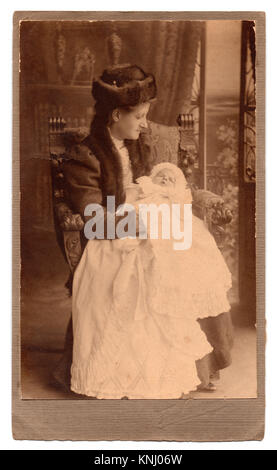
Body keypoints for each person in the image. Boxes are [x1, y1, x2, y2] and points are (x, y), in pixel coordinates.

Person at [52, 64, 234, 394]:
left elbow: (170, 186)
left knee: (189, 259)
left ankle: (199, 364)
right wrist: (142, 224)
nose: (144, 123)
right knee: (145, 269)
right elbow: (93, 218)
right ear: (115, 115)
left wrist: (171, 202)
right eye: (138, 116)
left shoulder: (143, 144)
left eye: (145, 116)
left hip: (150, 225)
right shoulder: (86, 155)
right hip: (110, 236)